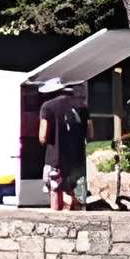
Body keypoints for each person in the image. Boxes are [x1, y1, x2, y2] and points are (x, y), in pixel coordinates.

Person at [41, 80, 93, 208]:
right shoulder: (82, 107)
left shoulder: (47, 106)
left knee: (55, 191)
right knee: (76, 192)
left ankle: (57, 219)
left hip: (55, 158)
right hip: (77, 158)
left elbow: (42, 136)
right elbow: (90, 133)